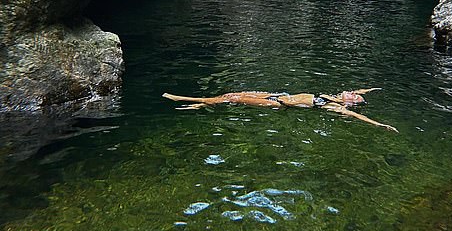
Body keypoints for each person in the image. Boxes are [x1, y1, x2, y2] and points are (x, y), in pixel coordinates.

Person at [162, 87, 398, 132]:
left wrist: (378, 124)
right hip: (277, 95)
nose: (353, 93)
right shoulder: (333, 96)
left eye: (354, 97)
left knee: (232, 99)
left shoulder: (335, 108)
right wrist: (372, 90)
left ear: (349, 103)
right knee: (230, 93)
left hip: (278, 103)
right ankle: (199, 104)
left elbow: (356, 114)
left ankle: (183, 98)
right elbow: (361, 92)